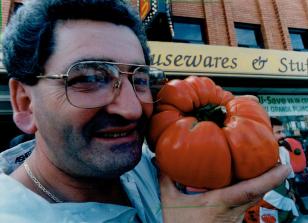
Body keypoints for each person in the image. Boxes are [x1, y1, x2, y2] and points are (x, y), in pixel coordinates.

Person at [0, 0, 290, 222]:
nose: (132, 109)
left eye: (139, 79)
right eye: (89, 77)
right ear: (25, 103)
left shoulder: (159, 161)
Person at [244, 118, 300, 223]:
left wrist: (291, 192)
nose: (283, 135)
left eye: (283, 131)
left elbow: (289, 175)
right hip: (262, 205)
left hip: (284, 200)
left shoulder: (283, 151)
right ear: (266, 134)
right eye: (278, 132)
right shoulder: (254, 154)